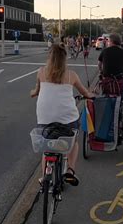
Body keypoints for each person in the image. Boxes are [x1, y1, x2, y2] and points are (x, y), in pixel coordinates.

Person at [30, 44, 94, 186]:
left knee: (46, 148)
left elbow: (36, 91)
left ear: (49, 58)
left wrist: (33, 93)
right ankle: (70, 170)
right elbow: (85, 93)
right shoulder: (71, 75)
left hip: (45, 120)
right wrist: (91, 95)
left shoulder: (41, 72)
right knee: (74, 141)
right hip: (68, 120)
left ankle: (43, 176)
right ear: (64, 59)